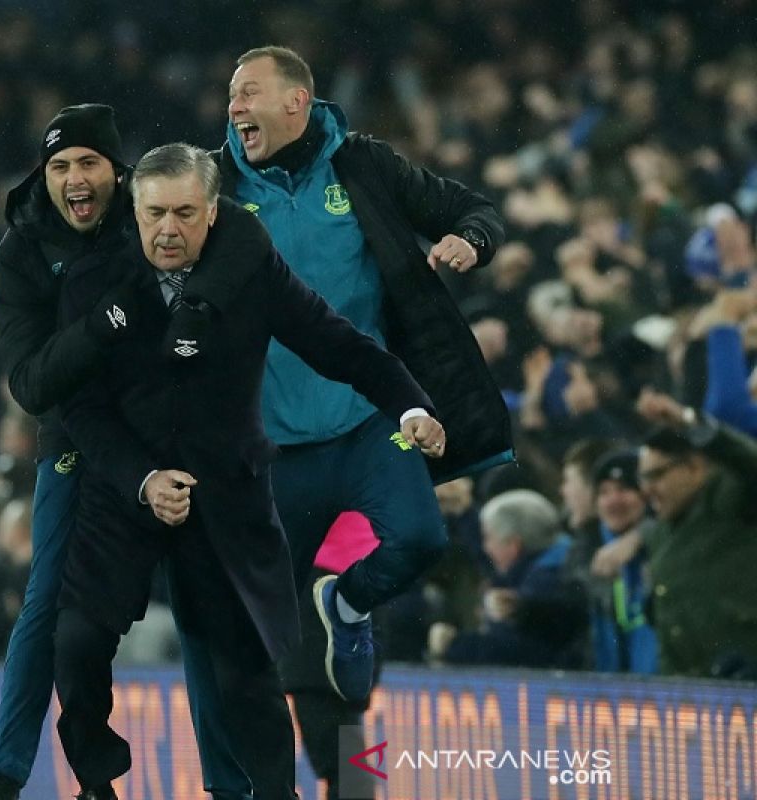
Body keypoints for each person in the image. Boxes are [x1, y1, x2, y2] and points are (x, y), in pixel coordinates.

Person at [51, 143, 445, 800]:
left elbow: (336, 343)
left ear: (212, 213)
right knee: (85, 642)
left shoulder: (251, 274)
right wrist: (144, 479)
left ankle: (298, 793)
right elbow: (78, 405)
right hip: (133, 493)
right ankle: (109, 784)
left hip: (253, 532)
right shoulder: (97, 277)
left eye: (184, 212)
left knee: (294, 693)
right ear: (134, 212)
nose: (168, 229)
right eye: (154, 214)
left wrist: (409, 403)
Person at [218, 45, 510, 701]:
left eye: (249, 93)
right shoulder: (213, 189)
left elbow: (475, 210)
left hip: (372, 418)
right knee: (252, 618)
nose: (234, 108)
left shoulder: (363, 165)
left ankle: (348, 607)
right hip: (276, 440)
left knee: (420, 540)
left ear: (296, 101)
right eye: (232, 97)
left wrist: (471, 241)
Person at [0, 105, 250, 800]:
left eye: (89, 163)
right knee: (48, 605)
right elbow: (33, 386)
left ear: (115, 169)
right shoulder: (23, 251)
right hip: (78, 438)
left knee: (204, 608)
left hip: (175, 433)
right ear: (44, 174)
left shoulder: (150, 217)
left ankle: (231, 783)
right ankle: (5, 778)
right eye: (60, 166)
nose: (75, 178)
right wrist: (104, 325)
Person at [634, 395, 757, 677]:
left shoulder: (733, 498)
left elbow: (750, 464)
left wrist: (693, 423)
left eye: (656, 476)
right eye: (643, 479)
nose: (647, 490)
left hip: (745, 684)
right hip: (692, 695)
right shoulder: (660, 531)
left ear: (695, 468)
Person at [428, 489, 587, 668]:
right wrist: (465, 512)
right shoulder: (554, 560)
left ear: (513, 545)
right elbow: (486, 561)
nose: (485, 548)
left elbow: (515, 651)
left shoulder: (545, 579)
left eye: (488, 538)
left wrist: (455, 644)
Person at [586, 450, 658, 674]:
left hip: (666, 695)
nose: (613, 501)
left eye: (624, 489)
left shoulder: (663, 546)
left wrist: (643, 535)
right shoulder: (588, 549)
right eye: (604, 492)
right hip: (615, 696)